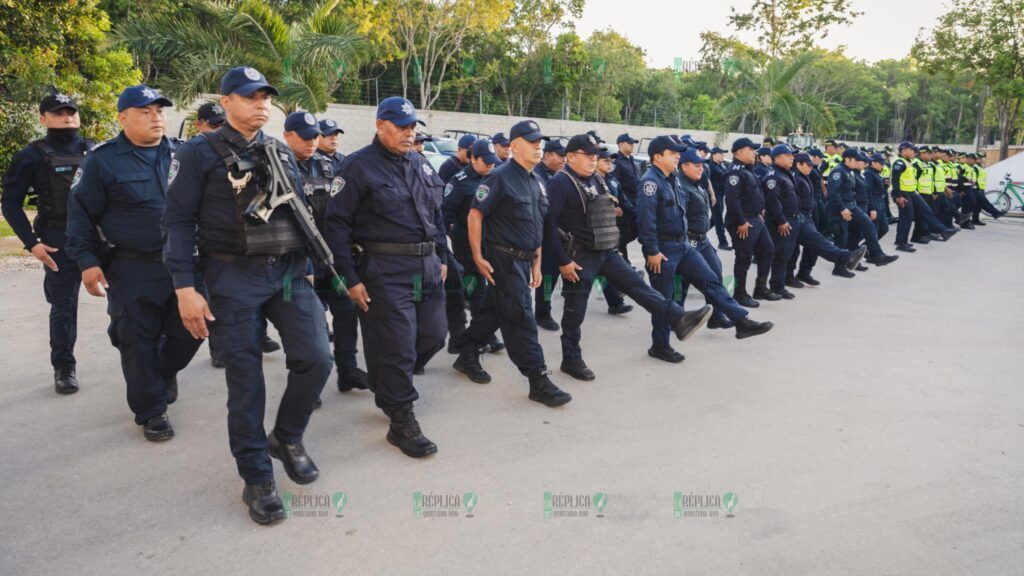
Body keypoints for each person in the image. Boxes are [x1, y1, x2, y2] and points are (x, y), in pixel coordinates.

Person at [163, 67, 333, 525]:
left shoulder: (278, 148)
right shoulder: (199, 152)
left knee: (318, 358)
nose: (261, 104)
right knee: (246, 383)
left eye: (266, 97)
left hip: (290, 274)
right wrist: (185, 288)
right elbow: (177, 221)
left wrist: (311, 265)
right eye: (249, 96)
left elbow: (297, 211)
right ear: (226, 101)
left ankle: (287, 436)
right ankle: (257, 477)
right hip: (233, 275)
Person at [66, 84, 203, 441]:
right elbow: (80, 213)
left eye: (160, 110)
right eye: (146, 111)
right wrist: (86, 261)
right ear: (123, 118)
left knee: (191, 330)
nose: (156, 117)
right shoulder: (102, 160)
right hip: (132, 266)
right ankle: (151, 410)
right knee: (137, 337)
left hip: (185, 264)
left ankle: (162, 370)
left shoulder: (183, 154)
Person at [324, 96, 448, 458]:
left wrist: (443, 255)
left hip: (426, 267)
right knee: (397, 344)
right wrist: (349, 277)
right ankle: (401, 419)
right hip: (383, 270)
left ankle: (386, 387)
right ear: (381, 125)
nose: (409, 133)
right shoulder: (356, 167)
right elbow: (336, 225)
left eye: (413, 127)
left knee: (433, 336)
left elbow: (436, 215)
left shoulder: (421, 163)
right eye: (401, 126)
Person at [542, 134, 715, 377]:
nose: (594, 160)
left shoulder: (596, 178)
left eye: (596, 155)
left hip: (606, 252)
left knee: (640, 288)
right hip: (579, 258)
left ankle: (679, 319)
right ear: (570, 156)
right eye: (588, 156)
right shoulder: (560, 183)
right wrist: (563, 261)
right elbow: (548, 225)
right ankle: (571, 359)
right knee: (575, 312)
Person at [449, 120, 572, 407]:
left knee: (494, 312)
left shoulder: (537, 181)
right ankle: (537, 378)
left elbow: (537, 224)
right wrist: (478, 256)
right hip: (502, 258)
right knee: (521, 317)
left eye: (540, 142)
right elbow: (474, 216)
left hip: (525, 260)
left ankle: (466, 351)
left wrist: (538, 262)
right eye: (532, 142)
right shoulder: (499, 178)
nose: (538, 147)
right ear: (514, 145)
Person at [1, 92, 91, 394]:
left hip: (97, 237)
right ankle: (64, 367)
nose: (67, 117)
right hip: (57, 238)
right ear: (43, 119)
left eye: (71, 112)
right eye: (58, 112)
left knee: (128, 300)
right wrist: (32, 243)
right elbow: (11, 204)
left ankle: (143, 359)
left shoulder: (95, 150)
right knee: (64, 306)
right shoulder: (31, 155)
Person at [282, 111, 367, 399]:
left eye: (315, 137)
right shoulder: (277, 166)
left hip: (329, 259)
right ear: (287, 136)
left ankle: (348, 370)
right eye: (305, 138)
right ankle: (308, 382)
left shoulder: (329, 166)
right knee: (307, 326)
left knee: (345, 313)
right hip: (295, 263)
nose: (312, 143)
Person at [443, 138, 506, 362]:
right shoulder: (459, 182)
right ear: (473, 159)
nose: (490, 165)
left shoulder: (495, 177)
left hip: (489, 243)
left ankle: (477, 333)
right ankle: (477, 335)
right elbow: (445, 215)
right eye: (486, 162)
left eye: (493, 162)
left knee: (482, 290)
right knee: (476, 289)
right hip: (466, 245)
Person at [787, 153, 867, 285]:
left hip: (808, 215)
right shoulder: (795, 177)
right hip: (797, 217)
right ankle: (845, 257)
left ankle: (804, 273)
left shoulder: (804, 176)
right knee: (808, 245)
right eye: (808, 165)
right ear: (799, 164)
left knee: (813, 246)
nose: (811, 168)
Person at [723, 137, 776, 306]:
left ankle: (760, 288)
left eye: (755, 150)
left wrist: (759, 212)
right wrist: (741, 222)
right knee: (744, 258)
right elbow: (732, 200)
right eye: (750, 150)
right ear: (738, 152)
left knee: (768, 250)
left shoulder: (748, 169)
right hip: (743, 221)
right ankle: (739, 293)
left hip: (754, 219)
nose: (754, 153)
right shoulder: (735, 172)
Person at [827, 148, 898, 267]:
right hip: (842, 208)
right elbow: (833, 193)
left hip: (852, 206)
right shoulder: (838, 171)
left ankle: (876, 255)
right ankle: (840, 267)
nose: (859, 162)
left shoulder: (849, 171)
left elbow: (854, 192)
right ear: (847, 159)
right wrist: (842, 208)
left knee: (869, 226)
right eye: (856, 160)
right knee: (842, 238)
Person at [532, 138, 567, 331]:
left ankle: (542, 311)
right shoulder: (537, 175)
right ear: (547, 155)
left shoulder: (559, 175)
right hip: (540, 234)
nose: (563, 159)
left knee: (550, 276)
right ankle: (542, 313)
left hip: (555, 233)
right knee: (546, 276)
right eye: (560, 155)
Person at [612, 133, 642, 260]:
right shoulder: (617, 162)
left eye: (633, 143)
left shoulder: (632, 160)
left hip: (635, 204)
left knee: (634, 231)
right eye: (629, 143)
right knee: (623, 235)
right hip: (624, 205)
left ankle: (621, 259)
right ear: (620, 144)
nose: (632, 145)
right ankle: (623, 261)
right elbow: (614, 185)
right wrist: (617, 205)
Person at [707, 146, 732, 251]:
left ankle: (698, 233)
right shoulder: (711, 166)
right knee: (718, 220)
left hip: (720, 195)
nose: (723, 155)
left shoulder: (720, 165)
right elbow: (724, 175)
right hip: (715, 195)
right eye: (720, 153)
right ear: (714, 155)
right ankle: (723, 242)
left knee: (714, 220)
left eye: (723, 154)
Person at [865, 153, 891, 243]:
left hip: (880, 202)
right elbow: (869, 192)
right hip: (874, 202)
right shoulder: (868, 173)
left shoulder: (876, 173)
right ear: (873, 162)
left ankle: (868, 248)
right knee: (874, 229)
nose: (882, 166)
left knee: (884, 228)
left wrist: (885, 185)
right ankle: (871, 250)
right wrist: (871, 208)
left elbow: (880, 189)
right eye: (881, 164)